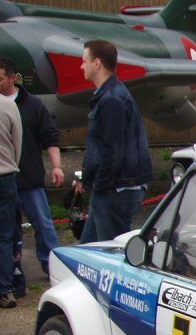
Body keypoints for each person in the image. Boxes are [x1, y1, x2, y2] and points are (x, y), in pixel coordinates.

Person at [73, 39, 152, 244]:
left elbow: (112, 151)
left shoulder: (111, 99)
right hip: (112, 188)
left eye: (84, 61)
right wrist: (86, 178)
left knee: (109, 252)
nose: (81, 66)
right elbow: (101, 146)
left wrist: (99, 186)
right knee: (89, 248)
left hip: (116, 190)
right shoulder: (109, 95)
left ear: (97, 63)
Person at [0, 57, 63, 279]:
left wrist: (57, 166)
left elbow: (50, 136)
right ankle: (12, 273)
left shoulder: (32, 105)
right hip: (4, 178)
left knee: (43, 224)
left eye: (1, 77)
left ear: (12, 78)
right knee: (7, 230)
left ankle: (52, 264)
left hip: (29, 177)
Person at [0, 87, 21, 309]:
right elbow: (17, 144)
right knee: (4, 237)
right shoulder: (8, 105)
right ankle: (4, 290)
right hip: (5, 176)